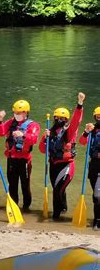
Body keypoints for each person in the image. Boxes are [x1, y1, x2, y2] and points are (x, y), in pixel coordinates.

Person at [39, 92, 84, 220]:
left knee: (58, 190)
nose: (59, 120)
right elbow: (42, 150)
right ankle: (63, 209)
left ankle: (56, 216)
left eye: (62, 118)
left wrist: (79, 104)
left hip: (66, 165)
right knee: (58, 190)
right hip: (54, 165)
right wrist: (45, 138)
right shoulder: (49, 132)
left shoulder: (69, 131)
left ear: (66, 120)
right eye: (57, 118)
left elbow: (76, 120)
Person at [0, 100, 40, 210]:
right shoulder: (11, 122)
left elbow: (34, 139)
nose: (16, 115)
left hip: (24, 160)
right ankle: (13, 206)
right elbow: (0, 133)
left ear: (26, 113)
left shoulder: (33, 125)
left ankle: (26, 207)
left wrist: (23, 134)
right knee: (12, 184)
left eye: (19, 113)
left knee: (25, 184)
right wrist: (0, 121)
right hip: (11, 158)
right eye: (15, 112)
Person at [79, 105, 100, 230]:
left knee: (98, 194)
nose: (99, 119)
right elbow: (82, 142)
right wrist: (86, 131)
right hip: (94, 165)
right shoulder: (92, 129)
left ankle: (97, 221)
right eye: (98, 117)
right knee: (95, 195)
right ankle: (97, 217)